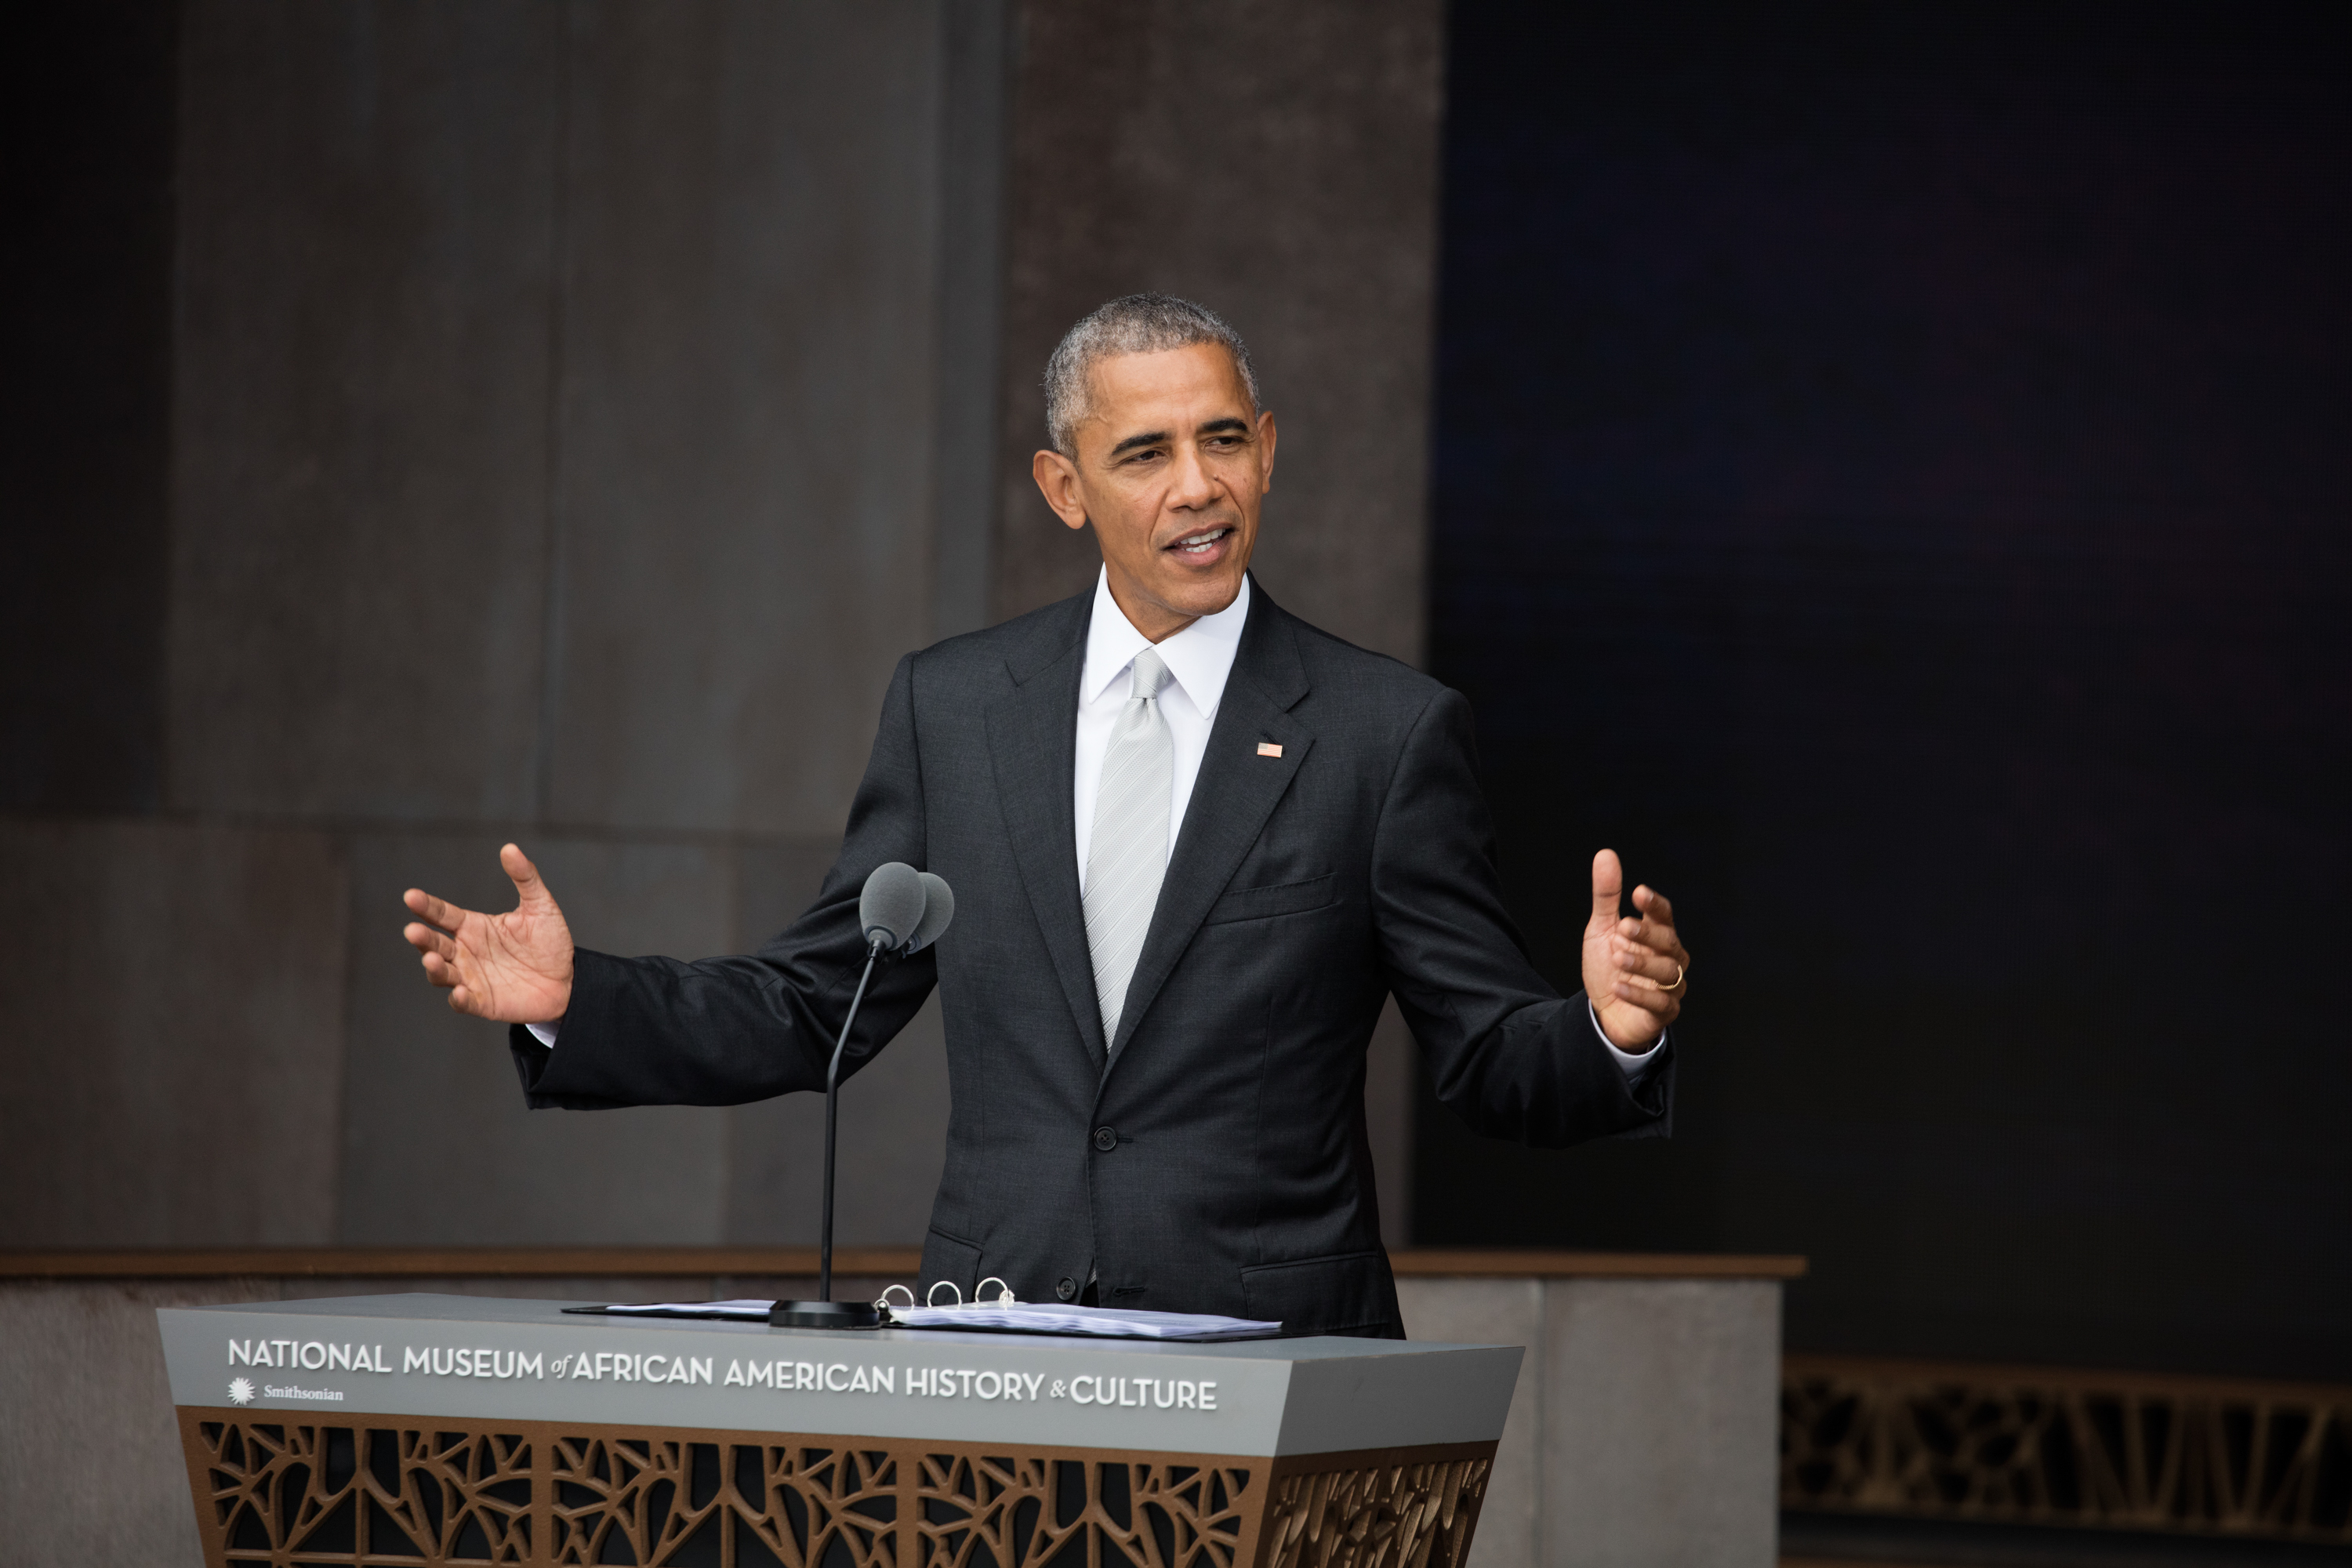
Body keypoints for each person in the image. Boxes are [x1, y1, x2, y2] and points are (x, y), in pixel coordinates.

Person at [401, 295, 1691, 1338]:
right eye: (1146, 454)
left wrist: (1607, 1034)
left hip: (1274, 1355)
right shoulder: (957, 708)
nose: (1198, 485)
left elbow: (1486, 1054)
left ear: (1269, 448)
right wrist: (581, 1001)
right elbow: (817, 1004)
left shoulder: (1383, 732)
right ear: (1065, 488)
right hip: (994, 1348)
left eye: (1224, 440)